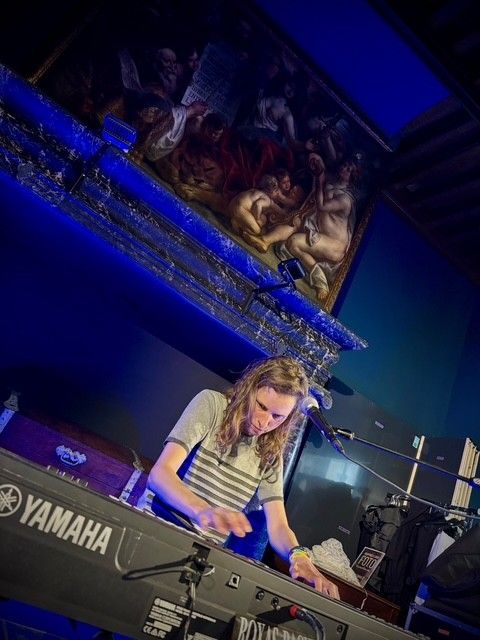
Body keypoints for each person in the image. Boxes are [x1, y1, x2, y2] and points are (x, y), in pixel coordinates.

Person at [138, 356, 340, 598]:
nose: (264, 422)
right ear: (249, 388)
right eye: (261, 406)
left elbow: (278, 525)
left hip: (197, 559)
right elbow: (160, 475)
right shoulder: (212, 405)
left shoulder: (271, 451)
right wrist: (204, 511)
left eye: (278, 417)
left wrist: (300, 556)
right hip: (154, 531)